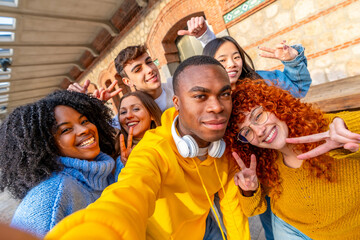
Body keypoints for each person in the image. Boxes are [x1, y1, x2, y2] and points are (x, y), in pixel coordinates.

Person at [45, 56, 250, 240]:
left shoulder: (225, 146)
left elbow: (233, 209)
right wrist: (99, 230)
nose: (217, 107)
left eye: (224, 94)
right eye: (200, 96)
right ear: (176, 103)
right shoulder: (152, 149)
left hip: (207, 228)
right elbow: (128, 194)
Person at [224, 79, 360, 240]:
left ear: (274, 105)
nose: (259, 131)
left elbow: (344, 128)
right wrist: (249, 189)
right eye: (246, 132)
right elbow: (253, 210)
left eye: (258, 116)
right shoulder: (262, 161)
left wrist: (350, 129)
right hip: (291, 228)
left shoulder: (327, 132)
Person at [0, 90, 121, 238]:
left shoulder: (108, 169)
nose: (84, 130)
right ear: (46, 145)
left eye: (84, 121)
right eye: (66, 130)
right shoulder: (48, 198)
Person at [117, 91, 162, 167]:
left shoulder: (172, 141)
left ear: (152, 115)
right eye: (123, 112)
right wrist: (130, 166)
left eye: (136, 109)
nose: (128, 115)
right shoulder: (121, 160)